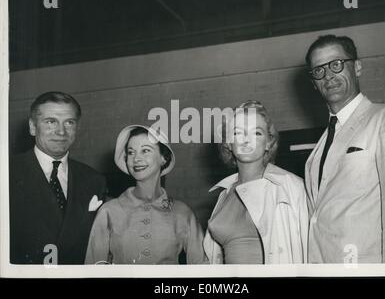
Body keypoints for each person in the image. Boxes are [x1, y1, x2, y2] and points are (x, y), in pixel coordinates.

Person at [304, 35, 385, 263]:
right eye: (319, 70)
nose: (329, 76)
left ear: (358, 67)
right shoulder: (322, 144)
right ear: (313, 83)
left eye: (336, 64)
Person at [203, 100, 308, 264]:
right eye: (238, 133)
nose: (246, 140)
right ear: (229, 143)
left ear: (268, 142)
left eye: (257, 133)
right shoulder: (224, 194)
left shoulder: (290, 187)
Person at [9, 91, 107, 264]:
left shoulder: (93, 179)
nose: (61, 132)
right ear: (33, 127)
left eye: (69, 122)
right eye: (51, 122)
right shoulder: (7, 173)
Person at [85, 124, 206, 264]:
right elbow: (92, 268)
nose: (136, 158)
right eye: (131, 152)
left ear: (163, 158)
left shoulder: (183, 213)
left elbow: (202, 268)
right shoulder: (108, 211)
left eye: (145, 150)